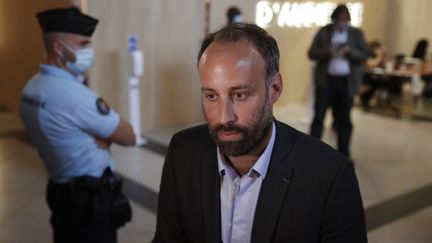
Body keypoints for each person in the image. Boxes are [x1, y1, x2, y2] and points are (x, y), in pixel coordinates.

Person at [152, 23, 367, 243]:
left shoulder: (330, 176)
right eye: (211, 96)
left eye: (240, 95)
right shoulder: (183, 152)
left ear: (274, 89)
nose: (224, 117)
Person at [19, 7, 135, 243]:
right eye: (83, 44)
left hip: (59, 190)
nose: (89, 51)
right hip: (88, 200)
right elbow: (129, 136)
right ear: (59, 48)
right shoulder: (75, 98)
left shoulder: (30, 89)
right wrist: (106, 135)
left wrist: (95, 133)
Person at [308, 4, 369, 159]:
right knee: (318, 118)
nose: (342, 22)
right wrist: (328, 51)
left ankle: (344, 155)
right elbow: (312, 53)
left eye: (344, 19)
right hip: (326, 82)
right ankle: (311, 154)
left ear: (348, 19)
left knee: (344, 120)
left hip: (345, 83)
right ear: (334, 19)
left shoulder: (356, 34)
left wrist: (349, 51)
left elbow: (364, 55)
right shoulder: (324, 32)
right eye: (339, 19)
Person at [360, 40, 387, 110]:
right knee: (373, 83)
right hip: (364, 76)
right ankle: (365, 101)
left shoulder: (375, 56)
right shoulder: (367, 54)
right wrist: (380, 56)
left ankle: (366, 101)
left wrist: (383, 55)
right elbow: (371, 64)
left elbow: (384, 65)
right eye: (378, 48)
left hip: (374, 77)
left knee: (381, 82)